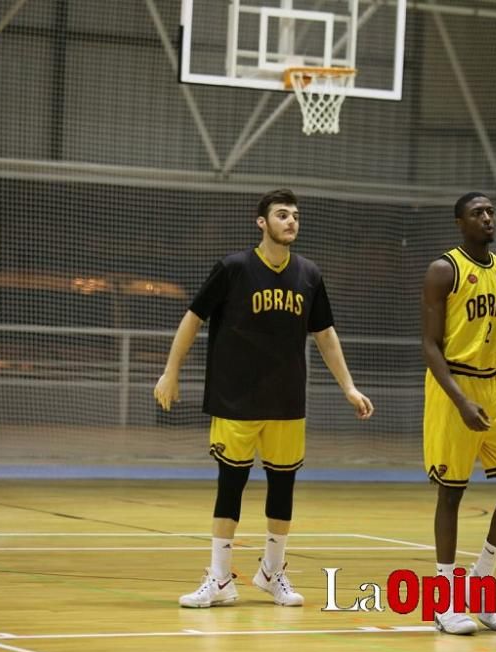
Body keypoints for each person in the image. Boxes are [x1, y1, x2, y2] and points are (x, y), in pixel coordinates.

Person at [154, 188, 374, 609]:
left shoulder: (309, 274)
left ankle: (273, 573)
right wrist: (171, 370)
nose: (291, 221)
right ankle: (220, 580)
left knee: (283, 488)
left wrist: (348, 386)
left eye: (295, 215)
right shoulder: (234, 269)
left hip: (287, 401)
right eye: (282, 214)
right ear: (262, 222)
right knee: (230, 487)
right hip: (235, 399)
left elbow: (325, 335)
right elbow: (193, 318)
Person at [420, 192, 496, 635]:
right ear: (459, 223)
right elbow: (430, 345)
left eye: (490, 212)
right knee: (451, 492)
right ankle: (445, 601)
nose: (487, 218)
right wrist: (460, 400)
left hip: (494, 387)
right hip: (455, 384)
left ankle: (481, 583)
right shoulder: (443, 270)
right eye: (477, 213)